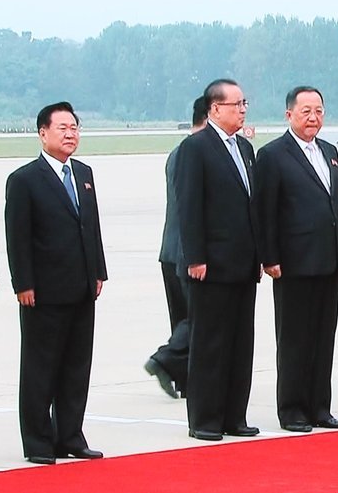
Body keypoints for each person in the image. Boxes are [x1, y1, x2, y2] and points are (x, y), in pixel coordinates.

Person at [5, 101, 107, 464]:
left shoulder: (83, 173)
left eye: (74, 128)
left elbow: (91, 227)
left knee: (76, 366)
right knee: (40, 368)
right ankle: (38, 441)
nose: (70, 134)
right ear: (43, 133)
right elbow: (17, 237)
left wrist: (98, 271)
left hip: (82, 286)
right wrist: (23, 283)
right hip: (43, 291)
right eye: (62, 128)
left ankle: (70, 436)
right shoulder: (24, 180)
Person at [253, 86, 338, 433]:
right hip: (293, 263)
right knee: (295, 339)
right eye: (306, 111)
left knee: (324, 336)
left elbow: (336, 205)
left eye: (319, 111)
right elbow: (265, 211)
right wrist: (269, 257)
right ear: (289, 115)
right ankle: (292, 409)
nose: (313, 118)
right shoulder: (273, 155)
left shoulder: (329, 152)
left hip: (328, 260)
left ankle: (319, 407)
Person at [177, 79, 260, 441]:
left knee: (240, 343)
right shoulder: (195, 148)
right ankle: (205, 418)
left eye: (244, 104)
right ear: (214, 109)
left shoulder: (244, 147)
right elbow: (189, 205)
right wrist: (195, 256)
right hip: (211, 264)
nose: (242, 110)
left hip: (243, 263)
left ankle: (233, 415)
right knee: (210, 343)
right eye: (235, 105)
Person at [145, 96, 207, 399]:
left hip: (172, 249)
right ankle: (165, 359)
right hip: (187, 252)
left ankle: (185, 378)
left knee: (183, 316)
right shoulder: (194, 152)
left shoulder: (178, 151)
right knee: (199, 317)